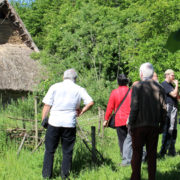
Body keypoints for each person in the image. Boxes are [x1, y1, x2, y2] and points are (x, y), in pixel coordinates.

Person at [41, 68, 94, 179]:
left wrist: (44, 119)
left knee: (50, 150)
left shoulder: (55, 87)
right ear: (75, 79)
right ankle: (65, 176)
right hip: (69, 123)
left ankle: (46, 175)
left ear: (63, 77)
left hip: (54, 122)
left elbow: (47, 105)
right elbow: (90, 102)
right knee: (67, 151)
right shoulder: (79, 89)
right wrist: (82, 111)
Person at [128, 62, 166, 180]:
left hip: (138, 126)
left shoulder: (137, 86)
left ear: (141, 74)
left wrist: (130, 123)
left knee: (137, 154)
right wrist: (162, 125)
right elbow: (164, 109)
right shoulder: (160, 87)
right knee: (152, 155)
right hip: (154, 126)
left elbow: (134, 107)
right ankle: (152, 178)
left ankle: (135, 177)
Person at [103, 74, 132, 155]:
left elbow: (110, 107)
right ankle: (132, 157)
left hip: (119, 120)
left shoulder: (114, 92)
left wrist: (106, 119)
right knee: (131, 139)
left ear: (118, 82)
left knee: (122, 140)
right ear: (126, 81)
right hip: (130, 120)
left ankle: (125, 158)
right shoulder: (131, 91)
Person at [160, 69, 179, 157]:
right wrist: (177, 85)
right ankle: (163, 151)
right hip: (169, 108)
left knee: (174, 130)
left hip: (174, 108)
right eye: (172, 75)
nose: (174, 77)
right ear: (167, 75)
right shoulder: (164, 84)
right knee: (168, 129)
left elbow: (177, 96)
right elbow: (174, 95)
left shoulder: (171, 85)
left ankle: (171, 150)